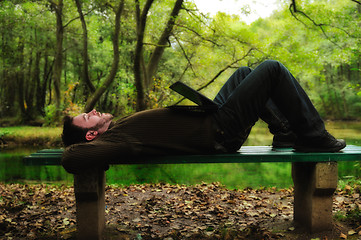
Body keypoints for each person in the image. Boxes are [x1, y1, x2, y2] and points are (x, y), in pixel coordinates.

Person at [61, 60, 346, 174]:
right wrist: (78, 145)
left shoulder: (116, 130)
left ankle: (285, 133)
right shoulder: (114, 141)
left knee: (244, 74)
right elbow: (71, 158)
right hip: (219, 132)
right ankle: (313, 136)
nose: (93, 111)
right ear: (90, 135)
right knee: (271, 69)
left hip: (213, 119)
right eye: (87, 117)